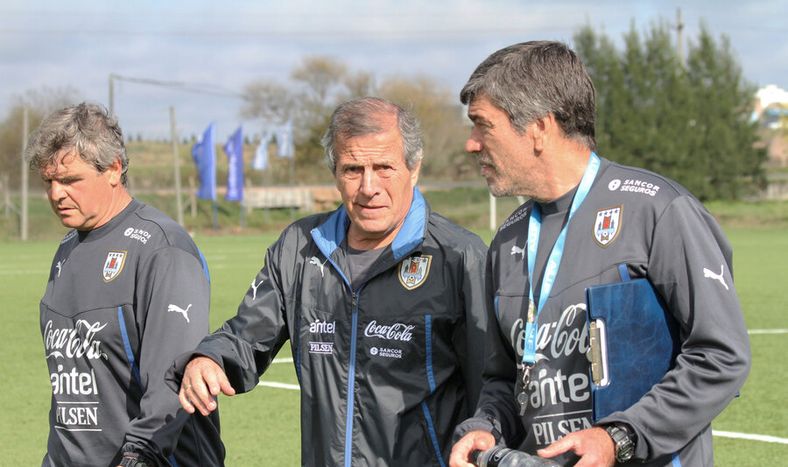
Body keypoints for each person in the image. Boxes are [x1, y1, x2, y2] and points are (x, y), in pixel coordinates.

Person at [449, 41, 751, 467]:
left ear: (538, 127)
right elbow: (505, 378)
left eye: (483, 125)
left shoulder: (656, 211)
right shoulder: (508, 240)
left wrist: (620, 438)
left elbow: (721, 356)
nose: (472, 144)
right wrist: (486, 426)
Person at [169, 97, 488, 466]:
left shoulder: (458, 256)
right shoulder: (300, 248)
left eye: (384, 167)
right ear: (334, 172)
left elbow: (490, 387)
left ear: (413, 168)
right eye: (353, 169)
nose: (369, 187)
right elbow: (246, 335)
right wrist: (209, 358)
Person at [27, 103, 225, 467]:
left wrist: (137, 455)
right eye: (49, 182)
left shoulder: (162, 248)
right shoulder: (67, 249)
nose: (56, 194)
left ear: (114, 169)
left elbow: (174, 378)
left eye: (70, 180)